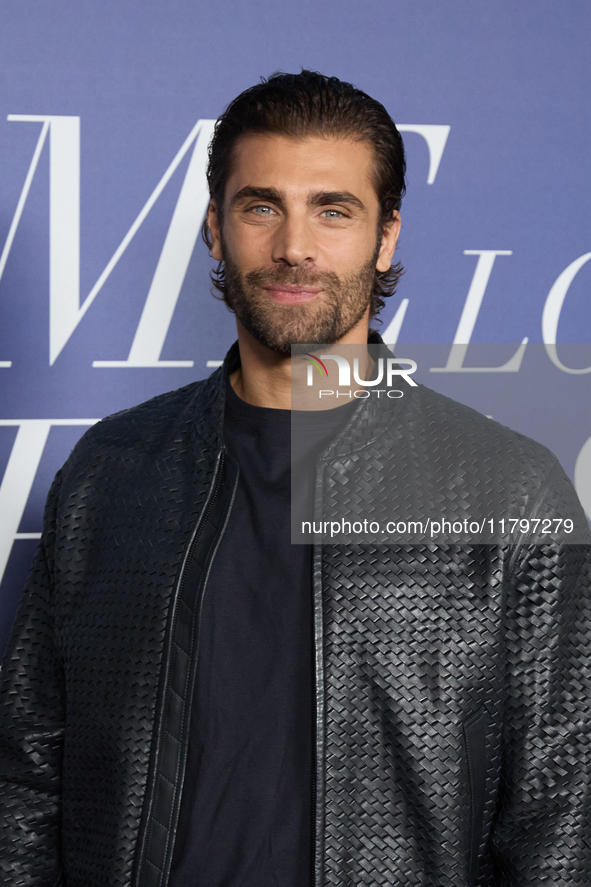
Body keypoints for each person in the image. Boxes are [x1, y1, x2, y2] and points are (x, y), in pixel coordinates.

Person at [0, 70, 590, 887]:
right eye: (261, 205)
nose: (294, 247)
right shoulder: (111, 472)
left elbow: (559, 822)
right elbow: (27, 775)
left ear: (385, 238)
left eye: (333, 210)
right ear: (216, 228)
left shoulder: (508, 489)